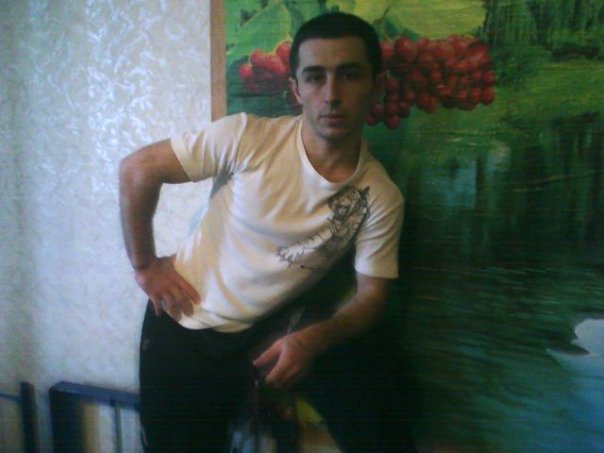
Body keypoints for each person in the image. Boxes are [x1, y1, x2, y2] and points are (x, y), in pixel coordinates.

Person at [119, 11, 416, 452]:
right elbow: (138, 168)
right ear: (296, 89)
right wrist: (145, 265)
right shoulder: (248, 137)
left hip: (268, 332)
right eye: (315, 77)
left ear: (377, 86)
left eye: (350, 75)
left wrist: (312, 341)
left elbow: (371, 298)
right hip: (184, 324)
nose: (331, 95)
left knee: (374, 372)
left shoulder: (381, 196)